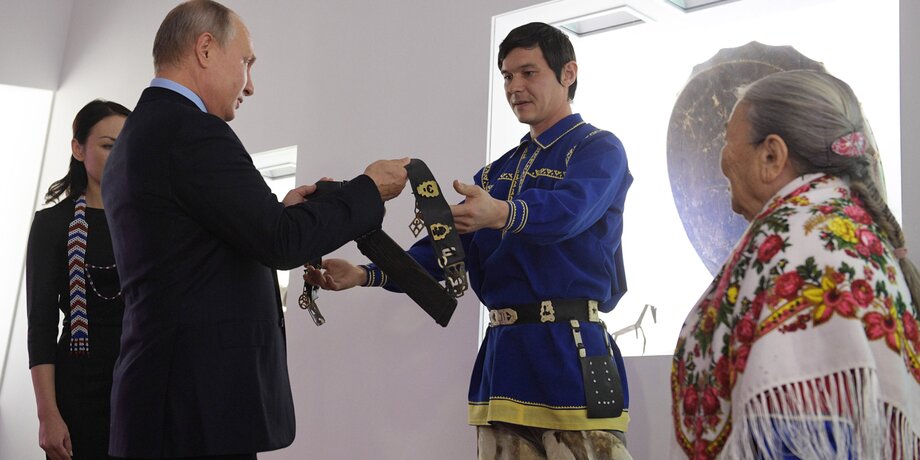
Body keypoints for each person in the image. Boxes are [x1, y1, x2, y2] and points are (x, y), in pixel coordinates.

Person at [307, 22, 633, 460]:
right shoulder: (494, 174)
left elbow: (571, 212)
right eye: (507, 76)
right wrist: (364, 274)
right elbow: (442, 254)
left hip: (571, 357)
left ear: (568, 73)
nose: (514, 87)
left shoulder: (598, 149)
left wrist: (500, 213)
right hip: (503, 365)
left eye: (528, 73)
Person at [101, 1, 408, 459]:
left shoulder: (139, 135)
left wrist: (279, 212)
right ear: (206, 48)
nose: (250, 85)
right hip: (196, 408)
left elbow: (192, 248)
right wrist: (368, 190)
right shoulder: (192, 131)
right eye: (246, 61)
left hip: (163, 397)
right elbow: (281, 241)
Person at [671, 70, 920, 459]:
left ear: (772, 155)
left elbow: (797, 433)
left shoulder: (798, 243)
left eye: (727, 143)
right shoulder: (851, 231)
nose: (722, 160)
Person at [27, 99, 132, 460]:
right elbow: (41, 326)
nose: (119, 156)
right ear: (78, 148)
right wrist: (47, 415)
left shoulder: (149, 221)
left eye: (126, 145)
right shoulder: (52, 224)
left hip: (141, 383)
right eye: (108, 146)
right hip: (79, 391)